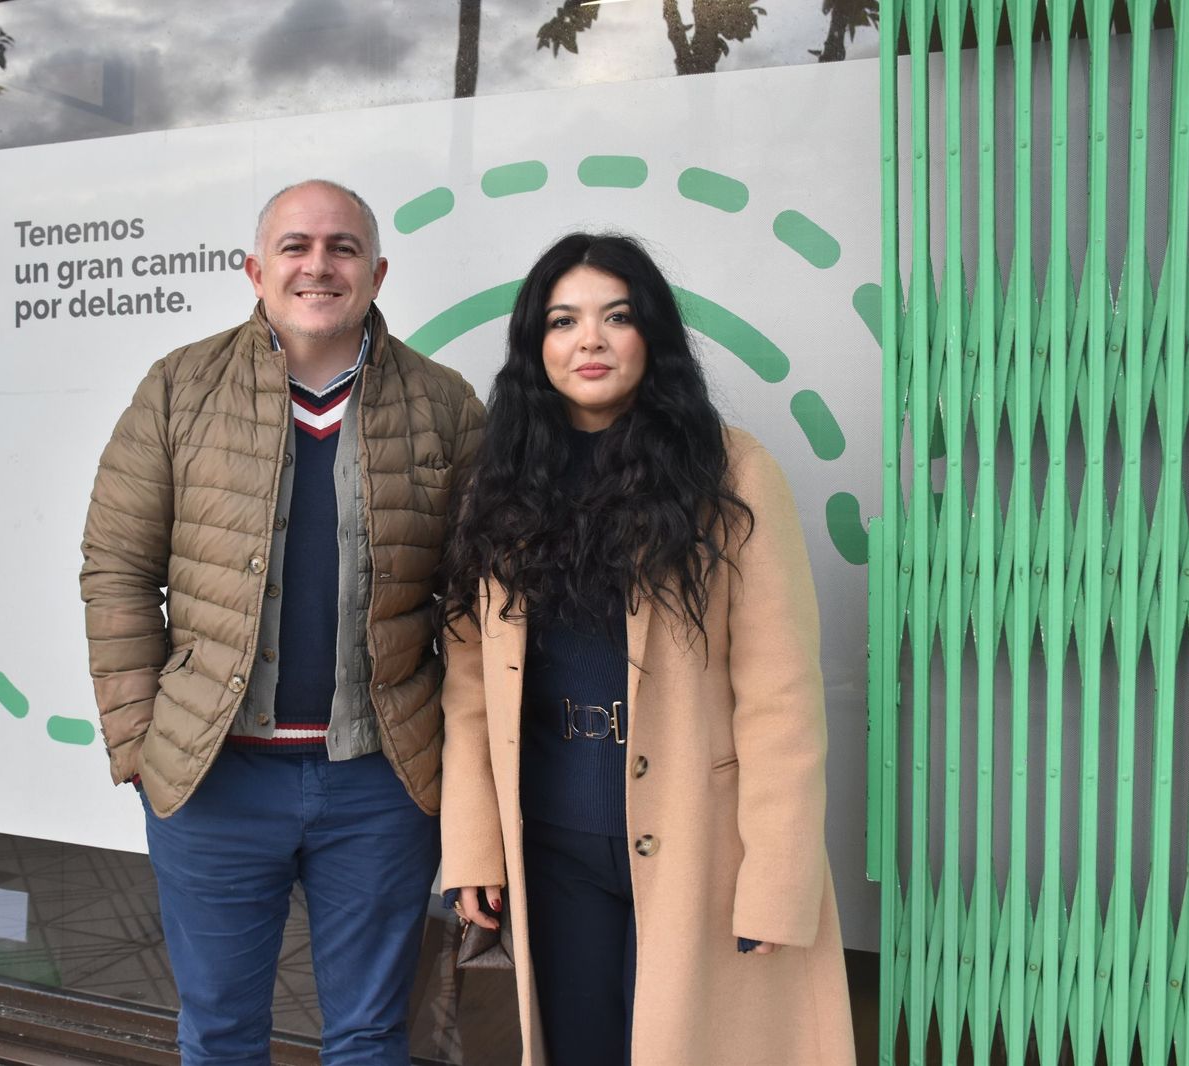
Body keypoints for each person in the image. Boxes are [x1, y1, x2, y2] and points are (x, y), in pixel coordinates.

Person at [80, 178, 484, 1065]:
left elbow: (476, 603)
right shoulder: (178, 390)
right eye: (296, 247)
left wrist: (465, 773)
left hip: (381, 783)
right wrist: (142, 743)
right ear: (255, 270)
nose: (318, 265)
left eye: (342, 248)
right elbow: (117, 569)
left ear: (377, 272)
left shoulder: (447, 406)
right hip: (216, 780)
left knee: (372, 1035)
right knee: (221, 1033)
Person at [438, 232, 856, 1065]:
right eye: (562, 321)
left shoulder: (732, 470)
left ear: (651, 336)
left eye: (615, 316)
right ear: (536, 345)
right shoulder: (500, 477)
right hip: (551, 839)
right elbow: (470, 685)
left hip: (701, 842)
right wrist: (475, 842)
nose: (588, 339)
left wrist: (778, 879)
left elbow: (780, 693)